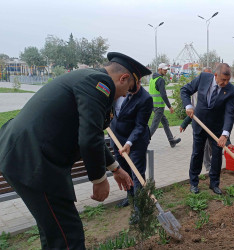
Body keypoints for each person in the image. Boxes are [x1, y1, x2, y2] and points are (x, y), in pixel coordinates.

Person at [0, 52, 150, 249]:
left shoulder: (89, 78)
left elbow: (90, 133)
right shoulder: (100, 83)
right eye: (126, 90)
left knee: (55, 231)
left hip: (24, 155)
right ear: (123, 78)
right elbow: (89, 138)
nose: (123, 95)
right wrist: (99, 180)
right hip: (35, 162)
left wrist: (115, 168)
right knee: (67, 237)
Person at [180, 63, 234, 195]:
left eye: (228, 80)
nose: (226, 83)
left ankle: (214, 184)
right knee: (197, 154)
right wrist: (188, 105)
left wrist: (225, 134)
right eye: (223, 79)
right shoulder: (203, 78)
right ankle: (194, 183)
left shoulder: (231, 90)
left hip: (217, 128)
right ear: (215, 75)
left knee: (217, 156)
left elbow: (230, 113)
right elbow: (185, 90)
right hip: (199, 124)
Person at [111, 78, 153, 209]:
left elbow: (140, 125)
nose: (138, 86)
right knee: (124, 170)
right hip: (116, 138)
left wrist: (129, 143)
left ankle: (139, 207)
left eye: (139, 83)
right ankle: (130, 197)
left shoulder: (145, 98)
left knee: (137, 174)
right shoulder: (115, 90)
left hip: (136, 141)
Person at [149, 63, 181, 147]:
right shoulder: (160, 80)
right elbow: (163, 95)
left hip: (154, 105)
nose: (166, 71)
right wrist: (170, 107)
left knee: (165, 122)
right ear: (159, 69)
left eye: (166, 70)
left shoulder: (153, 79)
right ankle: (143, 142)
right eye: (164, 70)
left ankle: (171, 141)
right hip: (159, 107)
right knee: (154, 126)